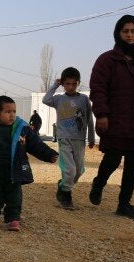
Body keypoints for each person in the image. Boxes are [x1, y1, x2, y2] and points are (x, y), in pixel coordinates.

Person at [89, 15, 134, 219]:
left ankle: (124, 204)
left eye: (133, 31)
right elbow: (98, 88)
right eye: (125, 31)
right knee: (112, 159)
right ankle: (99, 182)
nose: (130, 35)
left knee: (133, 164)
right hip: (116, 119)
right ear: (118, 33)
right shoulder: (107, 60)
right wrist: (102, 114)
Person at [0, 96, 58, 231]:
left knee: (15, 196)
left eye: (14, 111)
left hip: (14, 170)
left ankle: (13, 219)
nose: (12, 115)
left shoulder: (22, 129)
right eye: (7, 112)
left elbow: (36, 144)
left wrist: (49, 155)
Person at [42, 67, 95, 210]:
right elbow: (45, 99)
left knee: (79, 170)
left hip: (79, 139)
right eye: (67, 84)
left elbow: (89, 119)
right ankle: (65, 194)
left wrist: (91, 137)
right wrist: (55, 85)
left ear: (78, 83)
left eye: (74, 84)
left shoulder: (84, 99)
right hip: (64, 138)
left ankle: (63, 185)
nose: (70, 87)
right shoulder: (59, 99)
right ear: (64, 84)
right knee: (69, 170)